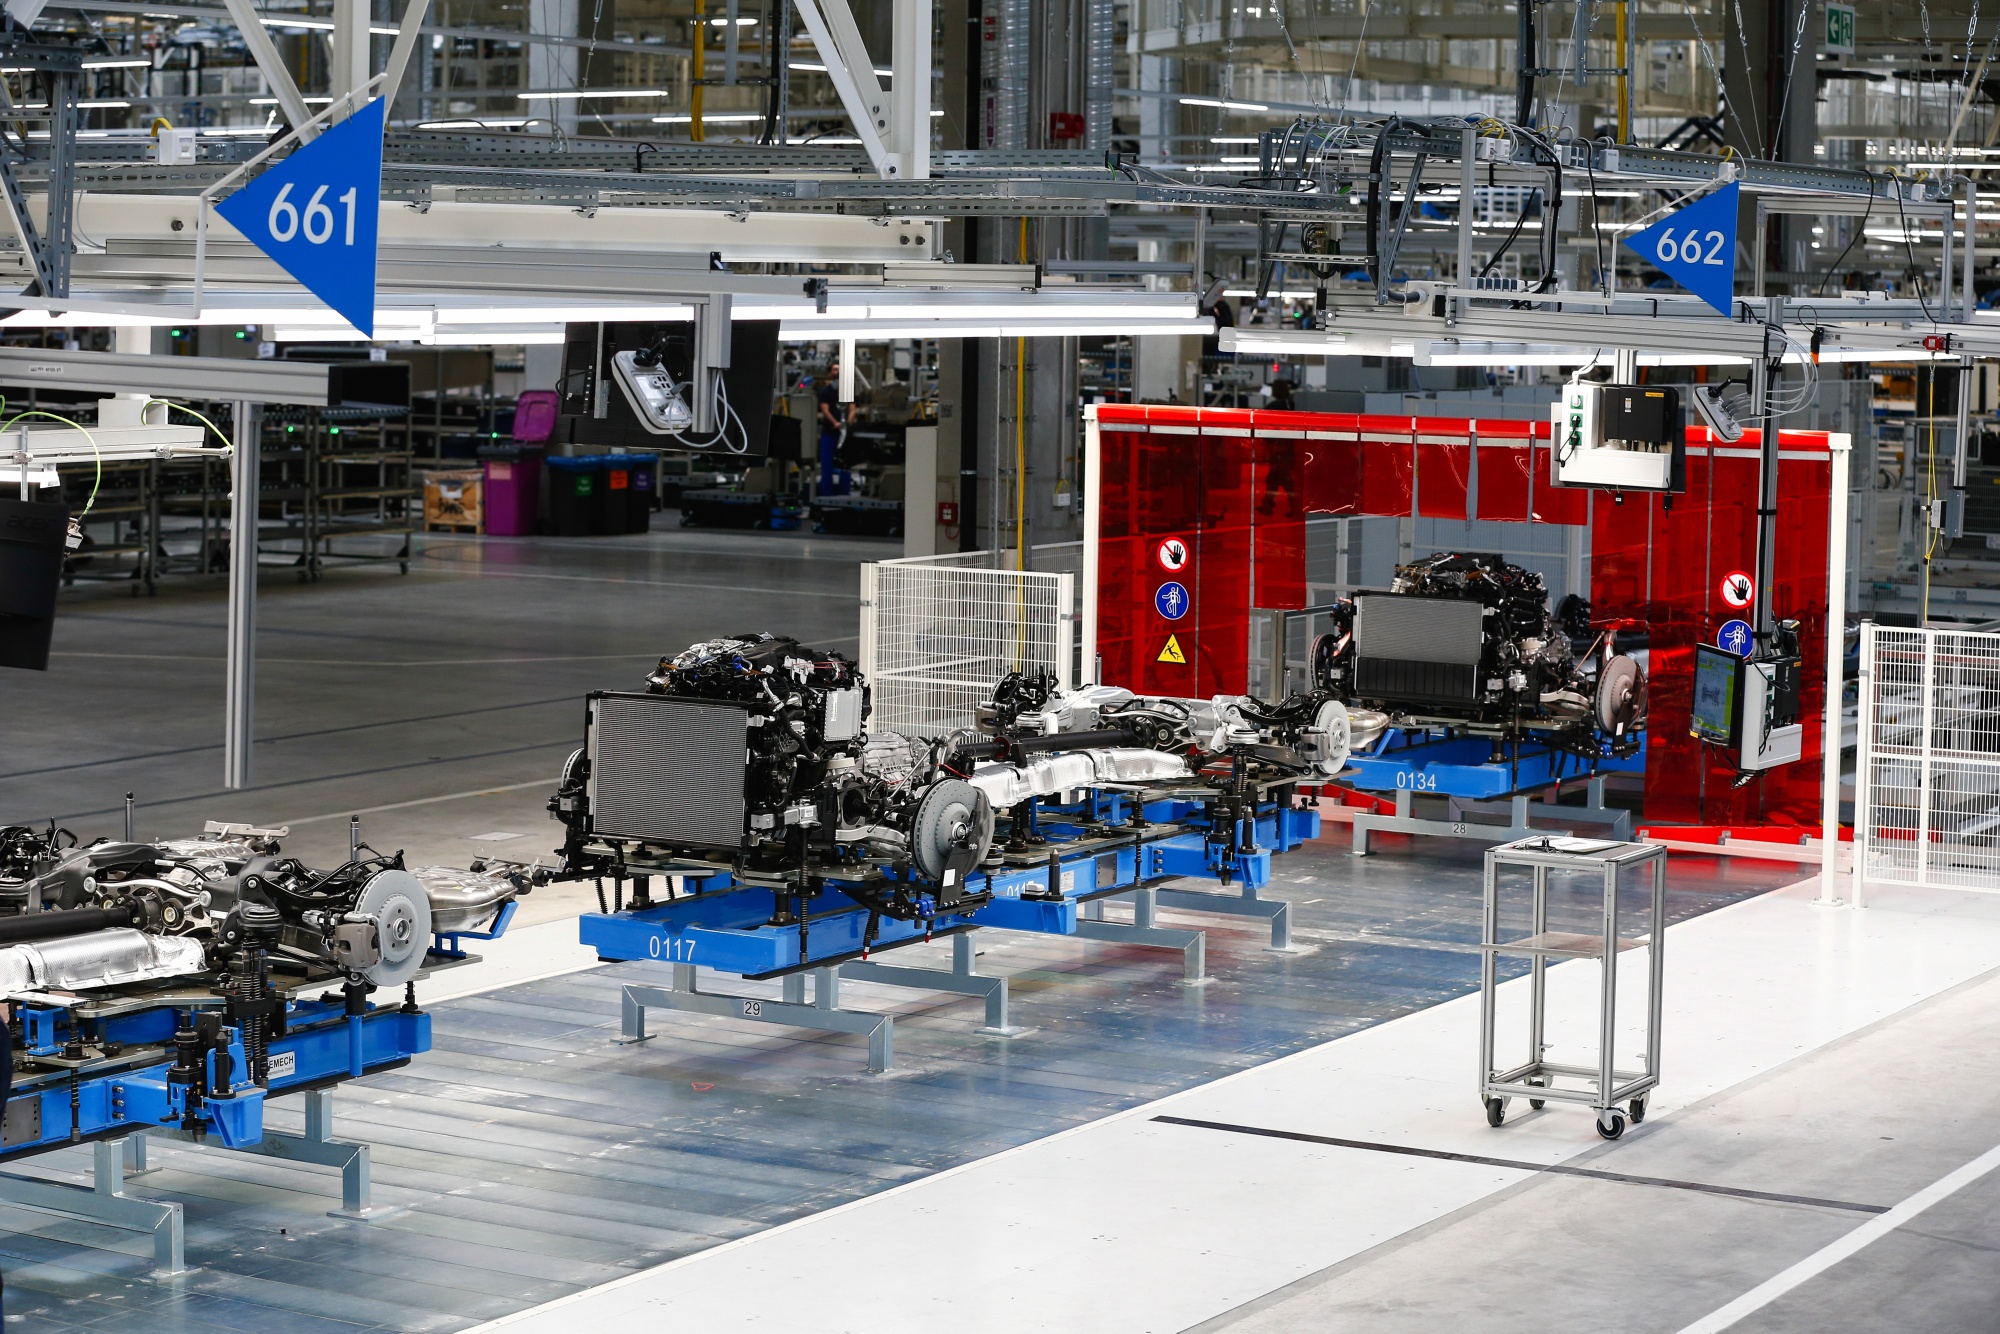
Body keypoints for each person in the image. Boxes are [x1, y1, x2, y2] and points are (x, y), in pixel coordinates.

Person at [815, 362, 858, 494]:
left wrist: (847, 424)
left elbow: (852, 408)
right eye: (834, 369)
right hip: (829, 433)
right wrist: (835, 423)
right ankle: (826, 494)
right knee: (827, 465)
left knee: (845, 465)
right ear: (830, 374)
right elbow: (825, 410)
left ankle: (845, 494)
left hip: (844, 434)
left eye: (839, 369)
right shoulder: (825, 392)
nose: (837, 372)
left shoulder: (848, 390)